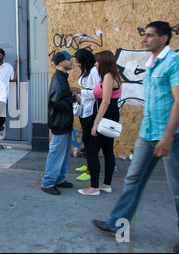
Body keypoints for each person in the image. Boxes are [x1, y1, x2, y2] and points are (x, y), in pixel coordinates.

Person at [93, 21, 179, 253]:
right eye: (145, 35)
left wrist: (167, 137)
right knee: (133, 180)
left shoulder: (176, 62)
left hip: (172, 136)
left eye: (150, 36)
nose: (144, 39)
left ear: (164, 39)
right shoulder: (151, 65)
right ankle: (117, 223)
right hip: (147, 135)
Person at [78, 51, 121, 196]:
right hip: (112, 115)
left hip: (105, 116)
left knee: (91, 150)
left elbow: (106, 101)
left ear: (104, 62)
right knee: (108, 150)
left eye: (97, 62)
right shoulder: (114, 75)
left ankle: (94, 187)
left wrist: (95, 123)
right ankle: (106, 184)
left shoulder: (108, 77)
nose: (95, 64)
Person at [41, 51, 79, 195]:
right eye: (69, 59)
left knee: (63, 154)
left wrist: (70, 95)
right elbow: (56, 103)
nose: (71, 61)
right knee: (56, 153)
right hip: (60, 124)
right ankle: (47, 182)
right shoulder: (58, 79)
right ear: (61, 62)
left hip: (64, 123)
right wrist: (72, 99)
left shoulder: (62, 78)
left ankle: (59, 179)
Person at [71, 49, 101, 181]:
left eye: (79, 62)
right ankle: (88, 163)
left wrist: (80, 91)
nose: (77, 64)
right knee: (86, 138)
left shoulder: (94, 72)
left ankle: (90, 170)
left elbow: (97, 92)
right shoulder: (85, 71)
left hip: (91, 110)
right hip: (84, 109)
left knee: (90, 140)